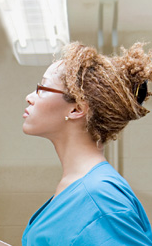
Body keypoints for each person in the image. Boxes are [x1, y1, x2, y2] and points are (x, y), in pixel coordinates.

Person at [22, 42, 152, 245]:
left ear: (76, 109)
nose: (29, 97)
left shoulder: (100, 197)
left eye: (42, 88)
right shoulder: (78, 187)